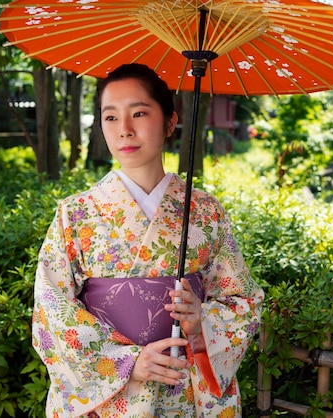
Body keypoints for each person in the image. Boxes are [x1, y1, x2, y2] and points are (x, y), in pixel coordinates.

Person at [32, 63, 264, 417]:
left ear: (171, 121)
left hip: (183, 389)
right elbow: (51, 312)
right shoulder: (74, 214)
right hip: (110, 399)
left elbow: (243, 301)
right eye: (110, 118)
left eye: (139, 113)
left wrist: (201, 321)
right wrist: (128, 363)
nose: (124, 130)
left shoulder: (204, 212)